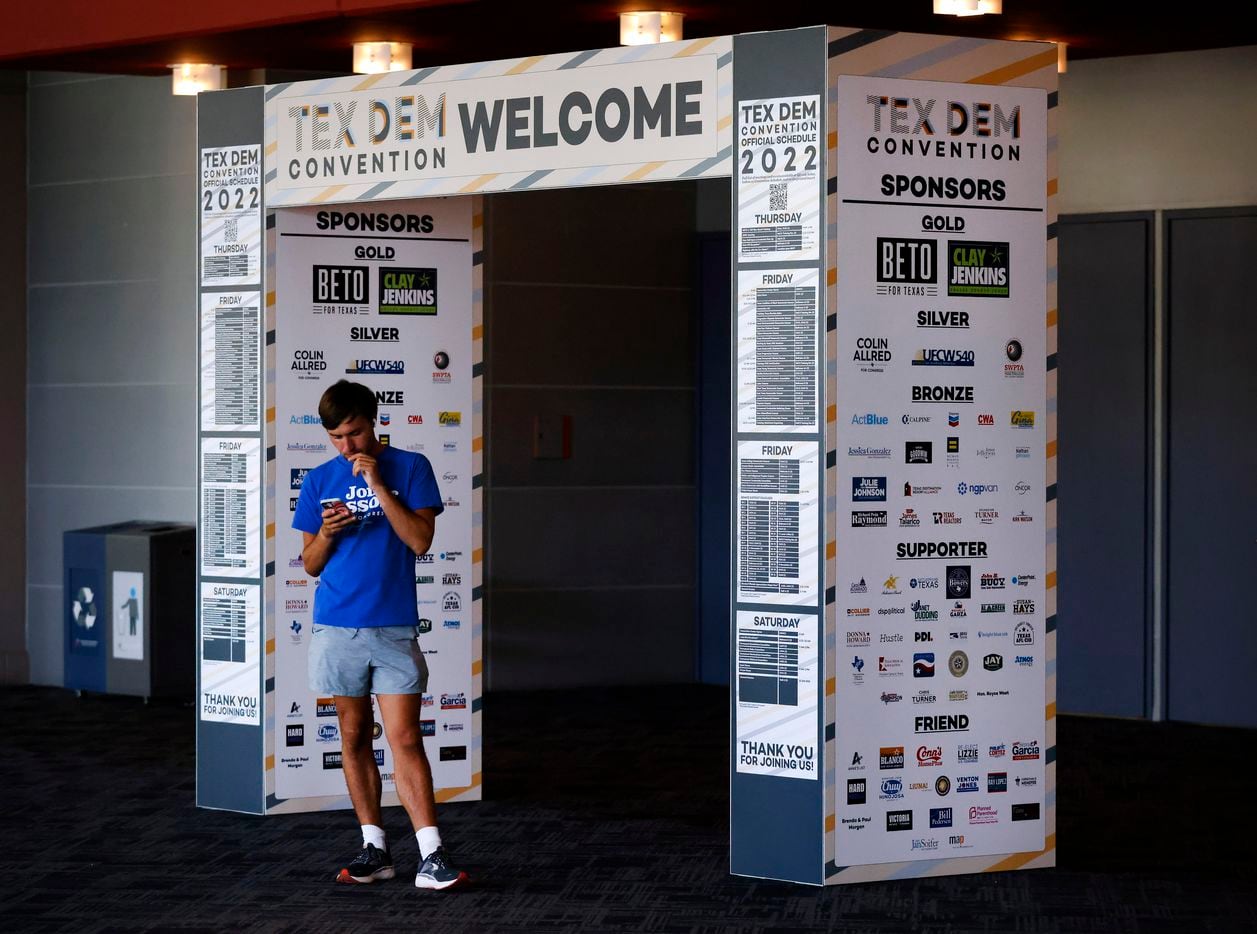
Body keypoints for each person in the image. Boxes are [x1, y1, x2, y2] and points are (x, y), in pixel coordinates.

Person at [292, 379, 467, 890]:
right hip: (336, 628)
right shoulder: (319, 480)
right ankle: (375, 848)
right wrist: (328, 532)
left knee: (406, 737)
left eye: (355, 433)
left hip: (393, 628)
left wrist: (377, 489)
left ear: (375, 421)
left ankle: (432, 855)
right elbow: (308, 564)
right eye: (337, 438)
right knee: (352, 737)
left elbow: (419, 540)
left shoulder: (411, 467)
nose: (347, 446)